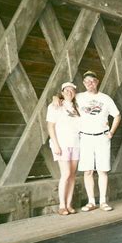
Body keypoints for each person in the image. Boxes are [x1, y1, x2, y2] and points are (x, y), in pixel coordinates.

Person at [53, 71, 121, 212]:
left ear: (97, 82)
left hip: (102, 137)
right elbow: (65, 97)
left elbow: (117, 115)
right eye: (87, 81)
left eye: (93, 81)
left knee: (102, 170)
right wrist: (55, 97)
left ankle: (103, 201)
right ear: (84, 84)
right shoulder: (79, 97)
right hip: (85, 138)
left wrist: (111, 132)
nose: (90, 83)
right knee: (88, 171)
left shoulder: (106, 98)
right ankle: (91, 202)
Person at [46, 82, 80, 216]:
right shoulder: (55, 106)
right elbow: (50, 126)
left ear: (74, 93)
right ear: (61, 92)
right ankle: (61, 205)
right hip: (62, 144)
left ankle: (69, 204)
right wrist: (55, 145)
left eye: (72, 90)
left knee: (72, 175)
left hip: (76, 144)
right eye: (66, 90)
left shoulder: (77, 107)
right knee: (65, 174)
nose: (69, 92)